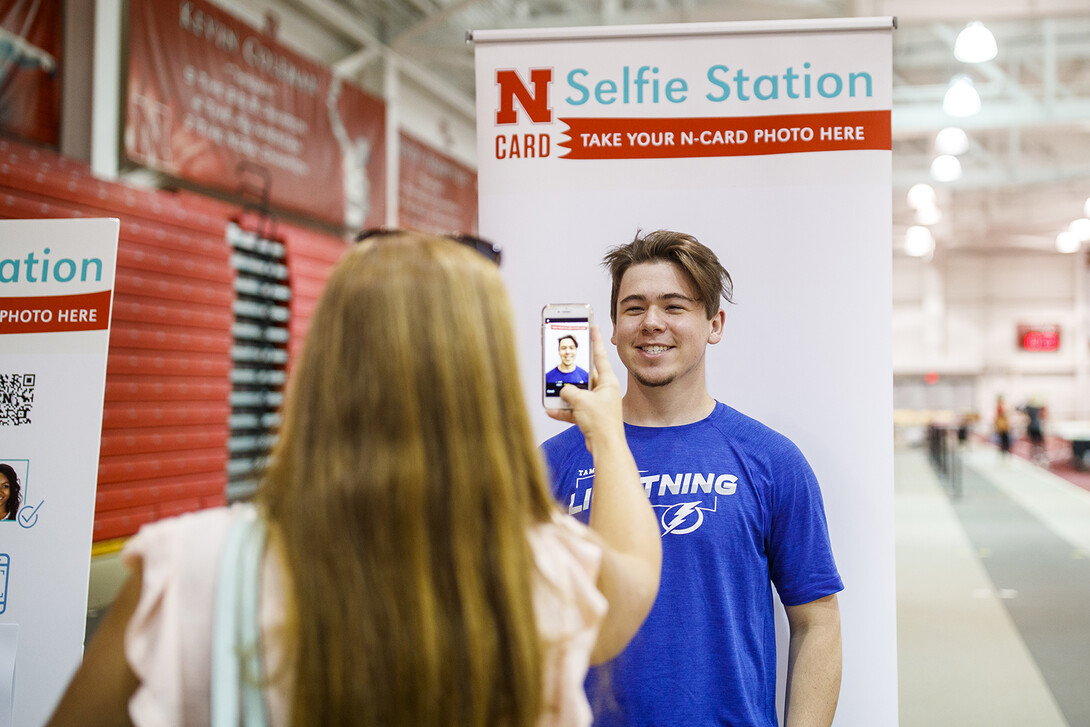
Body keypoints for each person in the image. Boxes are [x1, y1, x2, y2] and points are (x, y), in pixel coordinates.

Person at [47, 231, 661, 727]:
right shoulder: (541, 570)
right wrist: (605, 428)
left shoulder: (188, 567)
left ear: (324, 363)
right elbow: (635, 570)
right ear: (488, 382)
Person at [543, 230, 843, 726]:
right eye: (633, 308)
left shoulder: (770, 460)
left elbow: (817, 622)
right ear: (613, 328)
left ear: (714, 324)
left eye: (674, 306)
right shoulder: (551, 464)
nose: (652, 323)